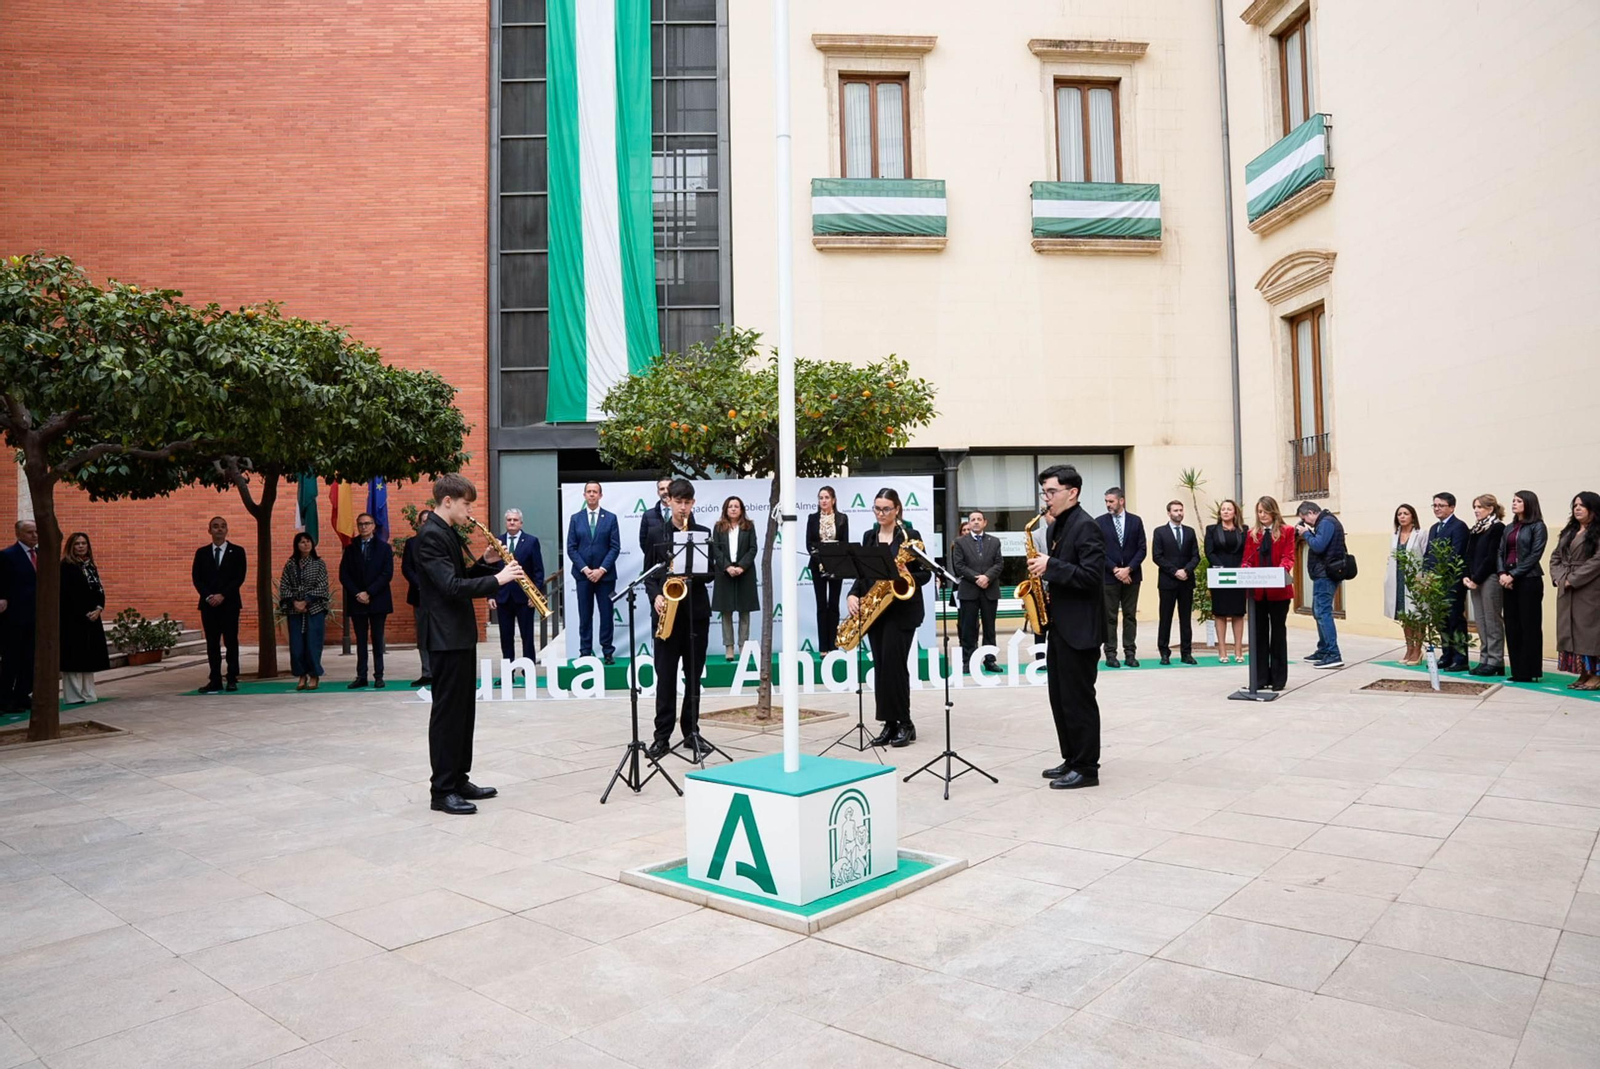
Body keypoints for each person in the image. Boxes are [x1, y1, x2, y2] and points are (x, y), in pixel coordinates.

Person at [414, 472, 526, 814]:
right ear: (448, 501)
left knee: (464, 712)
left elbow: (461, 577)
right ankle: (441, 790)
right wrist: (499, 578)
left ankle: (459, 778)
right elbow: (449, 587)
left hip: (458, 635)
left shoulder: (446, 531)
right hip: (445, 638)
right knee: (447, 714)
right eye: (466, 504)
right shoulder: (430, 535)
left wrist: (485, 564)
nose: (470, 511)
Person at [1028, 464, 1105, 789]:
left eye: (1051, 492)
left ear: (1072, 492)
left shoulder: (1086, 526)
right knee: (1059, 698)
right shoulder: (1058, 525)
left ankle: (1087, 768)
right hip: (1060, 625)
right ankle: (1071, 758)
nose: (1046, 499)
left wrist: (1051, 566)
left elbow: (1091, 576)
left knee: (1078, 699)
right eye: (1044, 492)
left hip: (1081, 629)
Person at [846, 488, 929, 748]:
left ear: (897, 510)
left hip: (902, 610)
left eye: (886, 509)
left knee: (895, 666)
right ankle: (889, 723)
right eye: (877, 508)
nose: (881, 513)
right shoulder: (869, 537)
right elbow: (862, 573)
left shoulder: (910, 536)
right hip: (876, 611)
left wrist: (907, 573)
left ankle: (905, 723)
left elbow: (925, 574)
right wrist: (852, 594)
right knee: (881, 667)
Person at [644, 478, 715, 760]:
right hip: (667, 614)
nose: (683, 508)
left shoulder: (703, 533)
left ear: (693, 503)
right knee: (665, 678)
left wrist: (693, 574)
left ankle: (691, 733)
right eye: (678, 502)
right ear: (668, 501)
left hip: (695, 614)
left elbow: (711, 573)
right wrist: (656, 597)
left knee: (693, 677)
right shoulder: (655, 534)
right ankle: (661, 737)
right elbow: (649, 575)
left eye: (687, 503)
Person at [1550, 491, 1600, 690]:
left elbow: (1597, 560)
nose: (1577, 508)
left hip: (1589, 588)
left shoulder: (1597, 532)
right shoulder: (1569, 531)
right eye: (1575, 505)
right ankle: (1583, 673)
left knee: (1590, 631)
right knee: (1572, 630)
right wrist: (1561, 578)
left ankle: (1596, 675)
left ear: (1593, 509)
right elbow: (1555, 557)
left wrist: (1574, 579)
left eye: (1582, 505)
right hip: (1566, 587)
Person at [1245, 497, 1295, 690]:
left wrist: (1279, 572)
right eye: (1259, 512)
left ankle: (1278, 678)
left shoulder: (1287, 531)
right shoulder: (1252, 534)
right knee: (1259, 635)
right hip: (1257, 593)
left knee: (1278, 634)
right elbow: (1247, 558)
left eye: (1265, 511)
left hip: (1278, 592)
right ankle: (1260, 677)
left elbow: (1288, 556)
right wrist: (1245, 568)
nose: (1262, 515)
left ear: (1274, 512)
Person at [566, 481, 620, 664]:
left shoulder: (610, 518)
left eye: (595, 492)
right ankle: (585, 652)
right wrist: (586, 569)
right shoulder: (576, 518)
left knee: (606, 615)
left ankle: (607, 651)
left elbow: (614, 547)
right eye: (588, 492)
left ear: (600, 495)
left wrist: (601, 570)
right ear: (584, 495)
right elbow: (571, 548)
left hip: (605, 577)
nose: (591, 495)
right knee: (585, 614)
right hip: (583, 576)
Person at [191, 516, 246, 693]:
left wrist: (223, 595)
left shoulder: (237, 551)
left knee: (231, 641)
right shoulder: (202, 553)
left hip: (229, 604)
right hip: (209, 606)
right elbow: (197, 578)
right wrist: (209, 596)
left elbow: (239, 577)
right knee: (212, 643)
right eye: (215, 527)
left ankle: (232, 678)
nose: (219, 529)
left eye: (223, 526)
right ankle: (214, 679)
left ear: (227, 529)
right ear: (210, 530)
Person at [1498, 491, 1548, 684]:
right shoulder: (1509, 527)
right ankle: (1518, 669)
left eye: (1519, 501)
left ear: (1529, 504)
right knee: (1512, 624)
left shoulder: (1538, 526)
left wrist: (1514, 575)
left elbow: (1535, 555)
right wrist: (1502, 573)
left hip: (1529, 579)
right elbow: (1500, 551)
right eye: (1513, 500)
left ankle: (1531, 669)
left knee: (1530, 624)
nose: (1514, 504)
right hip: (1507, 579)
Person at [340, 513, 393, 689]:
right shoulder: (350, 548)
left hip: (378, 600)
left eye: (367, 523)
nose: (364, 527)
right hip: (357, 601)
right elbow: (344, 575)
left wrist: (369, 592)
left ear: (373, 526)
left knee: (377, 639)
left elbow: (387, 574)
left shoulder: (384, 548)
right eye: (361, 524)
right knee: (361, 640)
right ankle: (361, 676)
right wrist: (358, 593)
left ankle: (379, 675)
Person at [1096, 487, 1145, 668]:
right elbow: (1098, 550)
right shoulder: (1099, 522)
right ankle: (1110, 654)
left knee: (1130, 615)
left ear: (1121, 501)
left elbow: (1142, 549)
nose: (1108, 504)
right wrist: (1116, 570)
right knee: (1109, 617)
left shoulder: (1135, 521)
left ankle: (1130, 653)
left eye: (1111, 501)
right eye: (1106, 501)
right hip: (1109, 577)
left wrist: (1129, 569)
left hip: (1132, 577)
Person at [492, 507, 545, 673]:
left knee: (527, 636)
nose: (512, 522)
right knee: (506, 638)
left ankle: (527, 671)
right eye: (509, 520)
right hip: (503, 597)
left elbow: (538, 571)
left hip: (524, 598)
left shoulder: (531, 541)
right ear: (505, 522)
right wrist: (490, 595)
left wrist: (535, 595)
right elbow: (492, 570)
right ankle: (509, 673)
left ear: (521, 523)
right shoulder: (497, 542)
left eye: (515, 520)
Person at [1295, 502, 1348, 668]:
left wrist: (1306, 534)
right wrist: (1310, 532)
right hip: (1324, 574)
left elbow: (1318, 546)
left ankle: (1333, 654)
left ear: (1311, 512)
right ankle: (1324, 649)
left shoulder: (1326, 523)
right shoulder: (1327, 522)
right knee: (1318, 612)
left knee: (1323, 613)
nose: (1306, 523)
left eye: (1305, 519)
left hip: (1325, 575)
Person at [59, 532, 109, 705]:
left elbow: (99, 590)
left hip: (92, 618)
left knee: (89, 657)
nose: (80, 546)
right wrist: (82, 612)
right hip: (72, 619)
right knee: (73, 659)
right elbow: (66, 595)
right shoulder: (65, 566)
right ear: (70, 547)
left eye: (83, 543)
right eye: (77, 544)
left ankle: (88, 693)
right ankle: (73, 696)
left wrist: (98, 609)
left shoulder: (90, 566)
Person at [950, 509, 1002, 673]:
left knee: (989, 628)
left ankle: (990, 660)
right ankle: (968, 662)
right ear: (969, 523)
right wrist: (977, 578)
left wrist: (987, 577)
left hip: (989, 589)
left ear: (985, 522)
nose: (976, 522)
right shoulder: (960, 542)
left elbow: (999, 564)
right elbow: (958, 566)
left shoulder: (994, 542)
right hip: (969, 590)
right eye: (973, 519)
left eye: (979, 519)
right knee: (968, 628)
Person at [1425, 492, 1471, 671]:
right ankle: (1447, 654)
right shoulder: (1434, 528)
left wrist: (1440, 575)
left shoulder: (1459, 526)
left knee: (1455, 619)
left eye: (1441, 505)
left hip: (1452, 581)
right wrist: (1426, 575)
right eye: (1434, 505)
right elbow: (1429, 554)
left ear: (1451, 507)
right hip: (1435, 583)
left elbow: (1457, 553)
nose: (1437, 509)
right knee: (1441, 620)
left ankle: (1460, 657)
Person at [278, 532, 330, 690]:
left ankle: (314, 675)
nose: (305, 544)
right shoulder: (290, 564)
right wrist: (295, 601)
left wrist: (307, 600)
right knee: (297, 645)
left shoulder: (319, 563)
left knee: (313, 643)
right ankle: (301, 675)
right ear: (296, 545)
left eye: (308, 541)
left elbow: (322, 585)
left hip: (314, 609)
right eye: (301, 542)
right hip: (295, 610)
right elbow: (284, 585)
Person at [1464, 495, 1508, 677]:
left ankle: (1495, 660)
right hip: (1474, 579)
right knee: (1481, 621)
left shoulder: (1497, 527)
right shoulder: (1476, 529)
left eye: (1480, 507)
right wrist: (1467, 576)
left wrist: (1477, 578)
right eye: (1474, 506)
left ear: (1490, 509)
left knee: (1492, 620)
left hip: (1488, 579)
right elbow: (1469, 554)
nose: (1476, 510)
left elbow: (1492, 557)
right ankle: (1484, 659)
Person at [710, 495, 758, 661]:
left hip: (745, 572)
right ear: (725, 509)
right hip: (725, 573)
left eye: (736, 506)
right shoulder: (718, 527)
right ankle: (729, 647)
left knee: (744, 612)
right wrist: (728, 567)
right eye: (730, 506)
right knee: (726, 612)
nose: (733, 509)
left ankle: (743, 646)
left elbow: (753, 549)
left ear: (741, 509)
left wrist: (741, 567)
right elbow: (715, 549)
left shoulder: (749, 527)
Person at [1152, 500, 1199, 665]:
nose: (1179, 513)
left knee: (1185, 619)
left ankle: (1186, 653)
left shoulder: (1190, 532)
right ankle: (1164, 652)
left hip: (1186, 581)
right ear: (1169, 513)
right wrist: (1174, 571)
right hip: (1167, 582)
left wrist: (1186, 570)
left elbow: (1196, 556)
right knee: (1165, 618)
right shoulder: (1160, 532)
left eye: (1181, 510)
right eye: (1175, 510)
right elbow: (1157, 556)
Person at [0, 520, 39, 713]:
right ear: (19, 534)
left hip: (36, 616)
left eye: (36, 532)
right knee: (11, 659)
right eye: (30, 532)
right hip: (14, 618)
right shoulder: (7, 556)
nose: (34, 535)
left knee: (29, 659)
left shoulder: (41, 555)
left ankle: (22, 695)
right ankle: (5, 698)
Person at [806, 486, 849, 653]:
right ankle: (823, 647)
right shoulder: (812, 518)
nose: (823, 501)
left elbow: (844, 543)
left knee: (834, 605)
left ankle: (833, 645)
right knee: (821, 605)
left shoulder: (842, 518)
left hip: (837, 565)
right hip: (817, 565)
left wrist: (833, 560)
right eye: (820, 498)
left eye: (826, 497)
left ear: (833, 500)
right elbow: (809, 543)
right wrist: (821, 560)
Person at [1205, 500, 1247, 663]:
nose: (1226, 512)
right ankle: (1222, 650)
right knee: (1220, 612)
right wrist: (1220, 567)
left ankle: (1238, 650)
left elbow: (1246, 551)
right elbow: (1209, 551)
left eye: (1229, 509)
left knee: (1238, 613)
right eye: (1223, 509)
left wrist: (1239, 567)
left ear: (1235, 512)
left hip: (1238, 574)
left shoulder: (1243, 530)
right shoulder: (1212, 530)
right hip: (1219, 574)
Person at [1385, 504, 1427, 665]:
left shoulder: (1421, 534)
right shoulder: (1395, 535)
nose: (1402, 516)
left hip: (1415, 578)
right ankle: (1409, 648)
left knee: (1417, 614)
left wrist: (1423, 578)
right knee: (1404, 615)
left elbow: (1426, 555)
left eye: (1406, 513)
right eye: (1399, 514)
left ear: (1413, 516)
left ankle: (1418, 649)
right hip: (1398, 578)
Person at [401, 509, 434, 686]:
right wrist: (421, 585)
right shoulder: (411, 543)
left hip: (440, 597)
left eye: (429, 520)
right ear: (419, 523)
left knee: (440, 634)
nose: (426, 523)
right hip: (419, 595)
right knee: (423, 635)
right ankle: (427, 672)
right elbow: (406, 568)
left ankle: (440, 672)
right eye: (423, 521)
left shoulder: (442, 541)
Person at [638, 475, 672, 555]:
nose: (665, 491)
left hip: (678, 562)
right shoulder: (648, 515)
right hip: (656, 563)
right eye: (662, 489)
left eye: (668, 488)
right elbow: (643, 542)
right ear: (658, 492)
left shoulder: (683, 513)